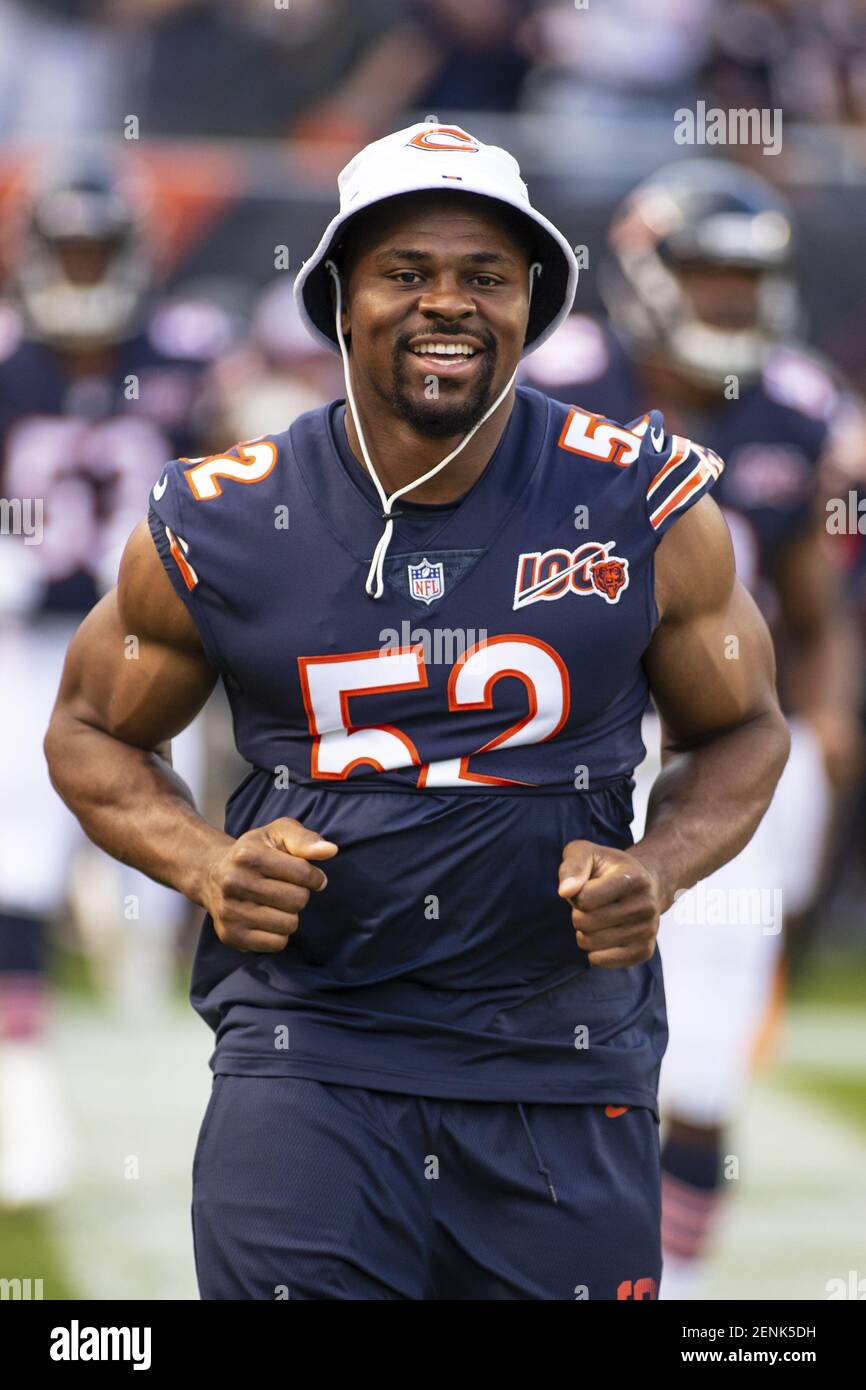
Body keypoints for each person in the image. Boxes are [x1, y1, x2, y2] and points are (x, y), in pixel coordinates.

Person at [45, 122, 789, 1300]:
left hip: (559, 1051)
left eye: (484, 277)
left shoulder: (640, 497)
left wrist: (660, 866)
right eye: (405, 273)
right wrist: (200, 861)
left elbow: (745, 726)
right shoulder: (227, 517)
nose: (446, 303)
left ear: (531, 303)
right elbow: (89, 730)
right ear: (339, 298)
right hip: (311, 1053)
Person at [524, 157, 862, 1297]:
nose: (727, 300)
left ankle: (676, 1285)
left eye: (744, 278)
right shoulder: (557, 388)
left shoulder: (798, 405)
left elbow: (815, 599)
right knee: (539, 1013)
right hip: (574, 743)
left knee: (707, 1038)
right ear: (642, 274)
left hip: (729, 747)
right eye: (707, 275)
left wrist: (822, 716)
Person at [0, 154, 221, 1204]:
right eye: (70, 251)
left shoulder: (183, 352)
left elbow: (236, 475)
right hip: (26, 640)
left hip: (156, 633)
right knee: (17, 845)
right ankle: (21, 1076)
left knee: (158, 848)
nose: (84, 273)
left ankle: (134, 941)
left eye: (100, 252)